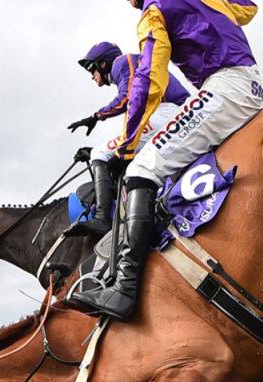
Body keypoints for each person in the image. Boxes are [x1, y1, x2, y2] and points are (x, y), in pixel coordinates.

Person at [70, 0, 263, 321]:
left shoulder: (153, 8)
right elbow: (247, 8)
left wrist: (127, 142)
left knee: (142, 168)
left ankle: (123, 289)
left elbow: (149, 80)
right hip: (251, 86)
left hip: (224, 90)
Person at [66, 41, 189, 236]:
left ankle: (102, 218)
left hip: (167, 111)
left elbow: (126, 97)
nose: (92, 76)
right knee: (111, 156)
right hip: (168, 114)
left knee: (100, 153)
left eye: (92, 69)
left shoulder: (122, 63)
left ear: (103, 63)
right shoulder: (125, 70)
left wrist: (96, 116)